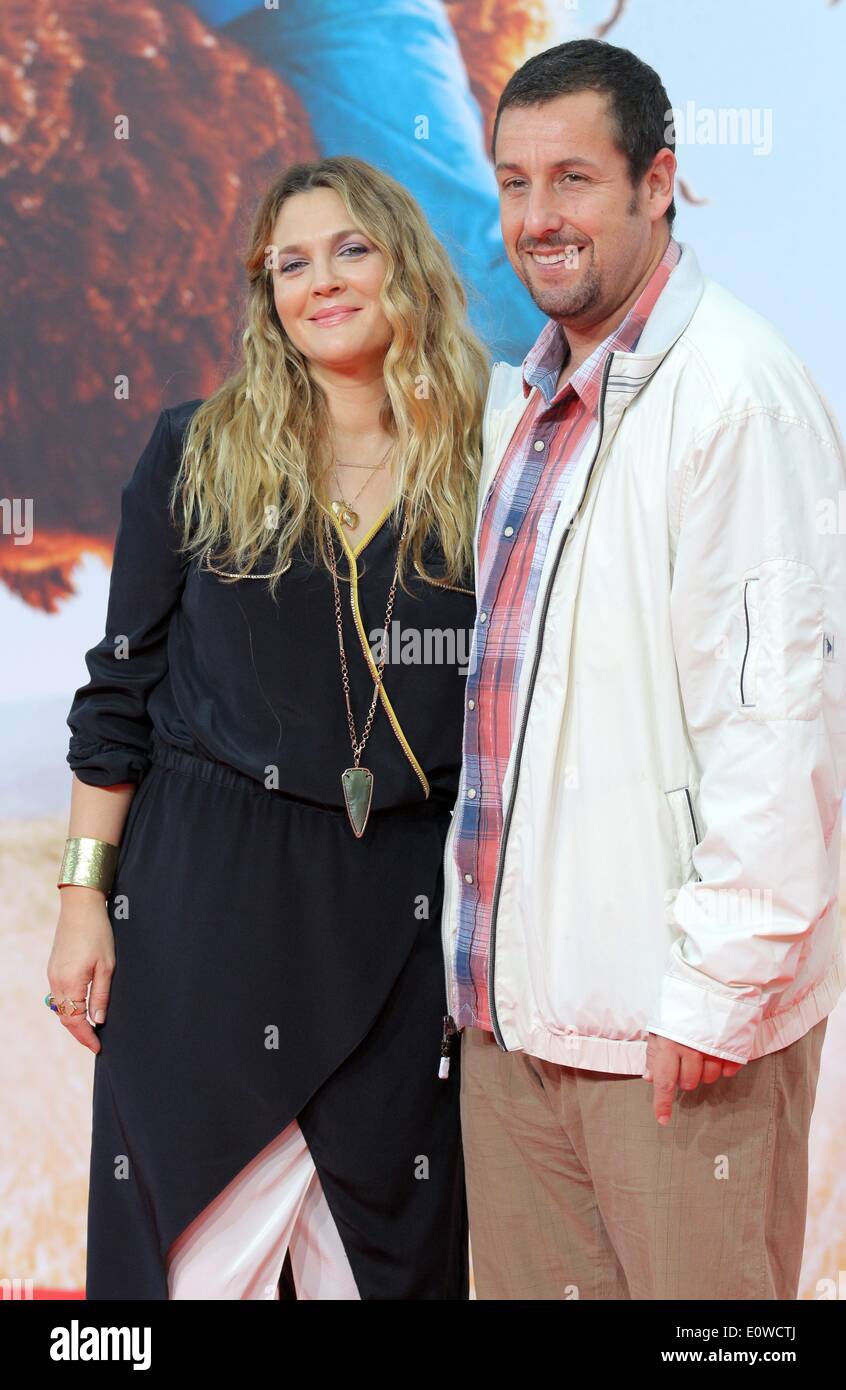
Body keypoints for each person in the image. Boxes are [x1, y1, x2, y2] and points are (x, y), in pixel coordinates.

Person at [441, 39, 846, 1300]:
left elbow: (779, 722)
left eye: (573, 180)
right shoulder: (526, 402)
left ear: (657, 182)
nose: (536, 219)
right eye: (513, 183)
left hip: (674, 1037)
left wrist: (718, 993)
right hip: (518, 1029)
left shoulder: (736, 397)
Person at [48, 154, 487, 1299]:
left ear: (407, 268)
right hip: (203, 904)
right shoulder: (194, 452)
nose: (320, 281)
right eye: (290, 263)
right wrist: (86, 899)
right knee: (185, 1265)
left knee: (387, 1255)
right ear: (267, 297)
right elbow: (117, 697)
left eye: (350, 249)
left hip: (398, 914)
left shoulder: (491, 466)